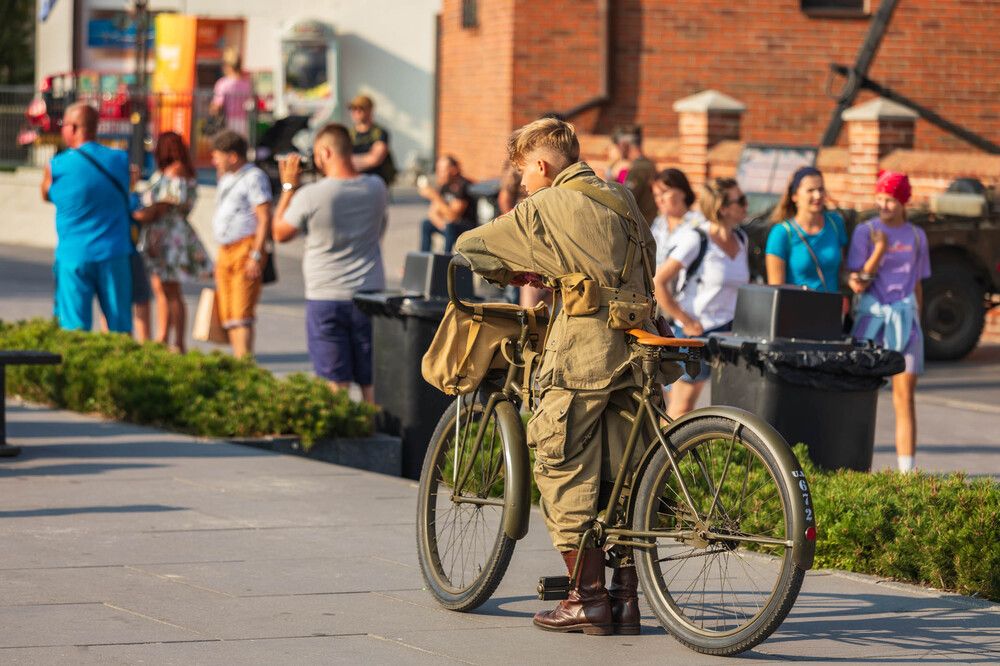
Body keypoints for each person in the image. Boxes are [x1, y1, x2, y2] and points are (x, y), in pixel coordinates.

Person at [453, 117, 656, 637]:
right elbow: (648, 260)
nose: (522, 184)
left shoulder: (544, 206)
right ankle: (625, 599)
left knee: (560, 464)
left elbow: (472, 247)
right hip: (638, 348)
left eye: (523, 173)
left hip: (583, 350)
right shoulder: (622, 198)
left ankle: (586, 599)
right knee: (625, 472)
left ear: (542, 165)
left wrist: (522, 272)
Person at [272, 124, 387, 403]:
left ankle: (344, 438)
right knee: (370, 379)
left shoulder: (310, 195)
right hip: (369, 293)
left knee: (335, 383)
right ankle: (375, 435)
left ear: (324, 152)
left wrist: (288, 186)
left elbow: (279, 233)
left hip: (326, 297)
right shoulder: (376, 187)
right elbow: (380, 229)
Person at [847, 171, 931, 473]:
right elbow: (857, 283)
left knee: (904, 396)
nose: (884, 204)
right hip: (873, 321)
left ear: (903, 201)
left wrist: (917, 322)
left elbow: (918, 284)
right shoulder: (866, 232)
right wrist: (880, 250)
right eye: (880, 197)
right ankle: (853, 467)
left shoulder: (917, 236)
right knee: (860, 396)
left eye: (891, 199)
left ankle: (906, 474)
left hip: (906, 322)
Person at [653, 177, 750, 417]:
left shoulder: (741, 239)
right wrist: (685, 320)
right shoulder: (697, 239)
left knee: (724, 408)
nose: (746, 206)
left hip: (727, 334)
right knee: (682, 408)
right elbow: (659, 282)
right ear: (723, 207)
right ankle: (667, 455)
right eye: (741, 201)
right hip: (695, 335)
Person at [40, 102, 134, 333]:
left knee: (73, 329)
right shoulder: (120, 161)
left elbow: (46, 193)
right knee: (119, 330)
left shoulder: (57, 166)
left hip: (74, 257)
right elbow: (129, 185)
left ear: (72, 128)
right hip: (114, 254)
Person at [133, 132, 213, 353]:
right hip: (168, 233)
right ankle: (166, 337)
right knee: (163, 288)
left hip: (168, 235)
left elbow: (164, 204)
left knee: (170, 289)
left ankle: (174, 340)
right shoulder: (179, 171)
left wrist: (139, 214)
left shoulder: (174, 172)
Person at [210, 130, 273, 359]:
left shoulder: (254, 177)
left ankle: (244, 363)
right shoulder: (227, 178)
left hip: (245, 248)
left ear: (233, 156)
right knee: (229, 315)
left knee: (241, 312)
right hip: (225, 249)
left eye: (218, 156)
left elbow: (264, 216)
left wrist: (256, 254)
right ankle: (238, 361)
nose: (214, 161)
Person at [765, 166, 848, 292]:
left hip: (831, 308)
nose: (818, 195)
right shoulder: (781, 233)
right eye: (810, 190)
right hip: (797, 308)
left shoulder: (835, 223)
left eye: (821, 189)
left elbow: (841, 271)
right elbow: (776, 289)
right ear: (794, 196)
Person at [418, 155, 476, 253]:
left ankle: (446, 262)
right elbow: (432, 213)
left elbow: (453, 216)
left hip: (467, 226)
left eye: (442, 170)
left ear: (453, 170)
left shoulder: (463, 185)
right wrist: (443, 224)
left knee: (450, 226)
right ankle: (424, 258)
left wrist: (434, 196)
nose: (438, 174)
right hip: (448, 224)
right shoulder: (445, 185)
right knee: (426, 224)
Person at [649, 168, 705, 268]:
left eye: (664, 192)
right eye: (656, 195)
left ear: (682, 192)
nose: (659, 200)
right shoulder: (659, 223)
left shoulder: (699, 224)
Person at [608, 125, 657, 226]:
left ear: (623, 145)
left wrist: (611, 176)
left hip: (640, 230)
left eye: (616, 146)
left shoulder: (636, 169)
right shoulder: (648, 164)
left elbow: (620, 201)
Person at [347, 94, 396, 186]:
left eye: (360, 108)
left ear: (370, 110)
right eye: (353, 109)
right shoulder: (349, 134)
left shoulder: (379, 133)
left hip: (375, 182)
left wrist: (350, 162)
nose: (356, 112)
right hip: (354, 182)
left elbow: (375, 159)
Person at [209, 49, 253, 138]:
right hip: (244, 123)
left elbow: (217, 105)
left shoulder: (222, 84)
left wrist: (211, 109)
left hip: (227, 123)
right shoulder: (247, 84)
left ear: (227, 66)